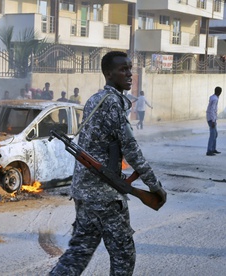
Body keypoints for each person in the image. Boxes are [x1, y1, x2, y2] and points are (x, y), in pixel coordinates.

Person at [50, 51, 167, 276]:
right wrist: (155, 186)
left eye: (130, 68)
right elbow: (131, 150)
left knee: (78, 252)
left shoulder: (95, 100)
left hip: (84, 192)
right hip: (105, 196)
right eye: (123, 69)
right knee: (124, 255)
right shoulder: (112, 102)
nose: (129, 74)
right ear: (108, 73)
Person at [206, 86, 222, 156]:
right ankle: (209, 151)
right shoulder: (215, 99)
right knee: (212, 135)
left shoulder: (213, 97)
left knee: (215, 134)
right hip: (211, 119)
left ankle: (213, 149)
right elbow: (212, 110)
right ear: (219, 92)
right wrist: (213, 120)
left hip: (212, 118)